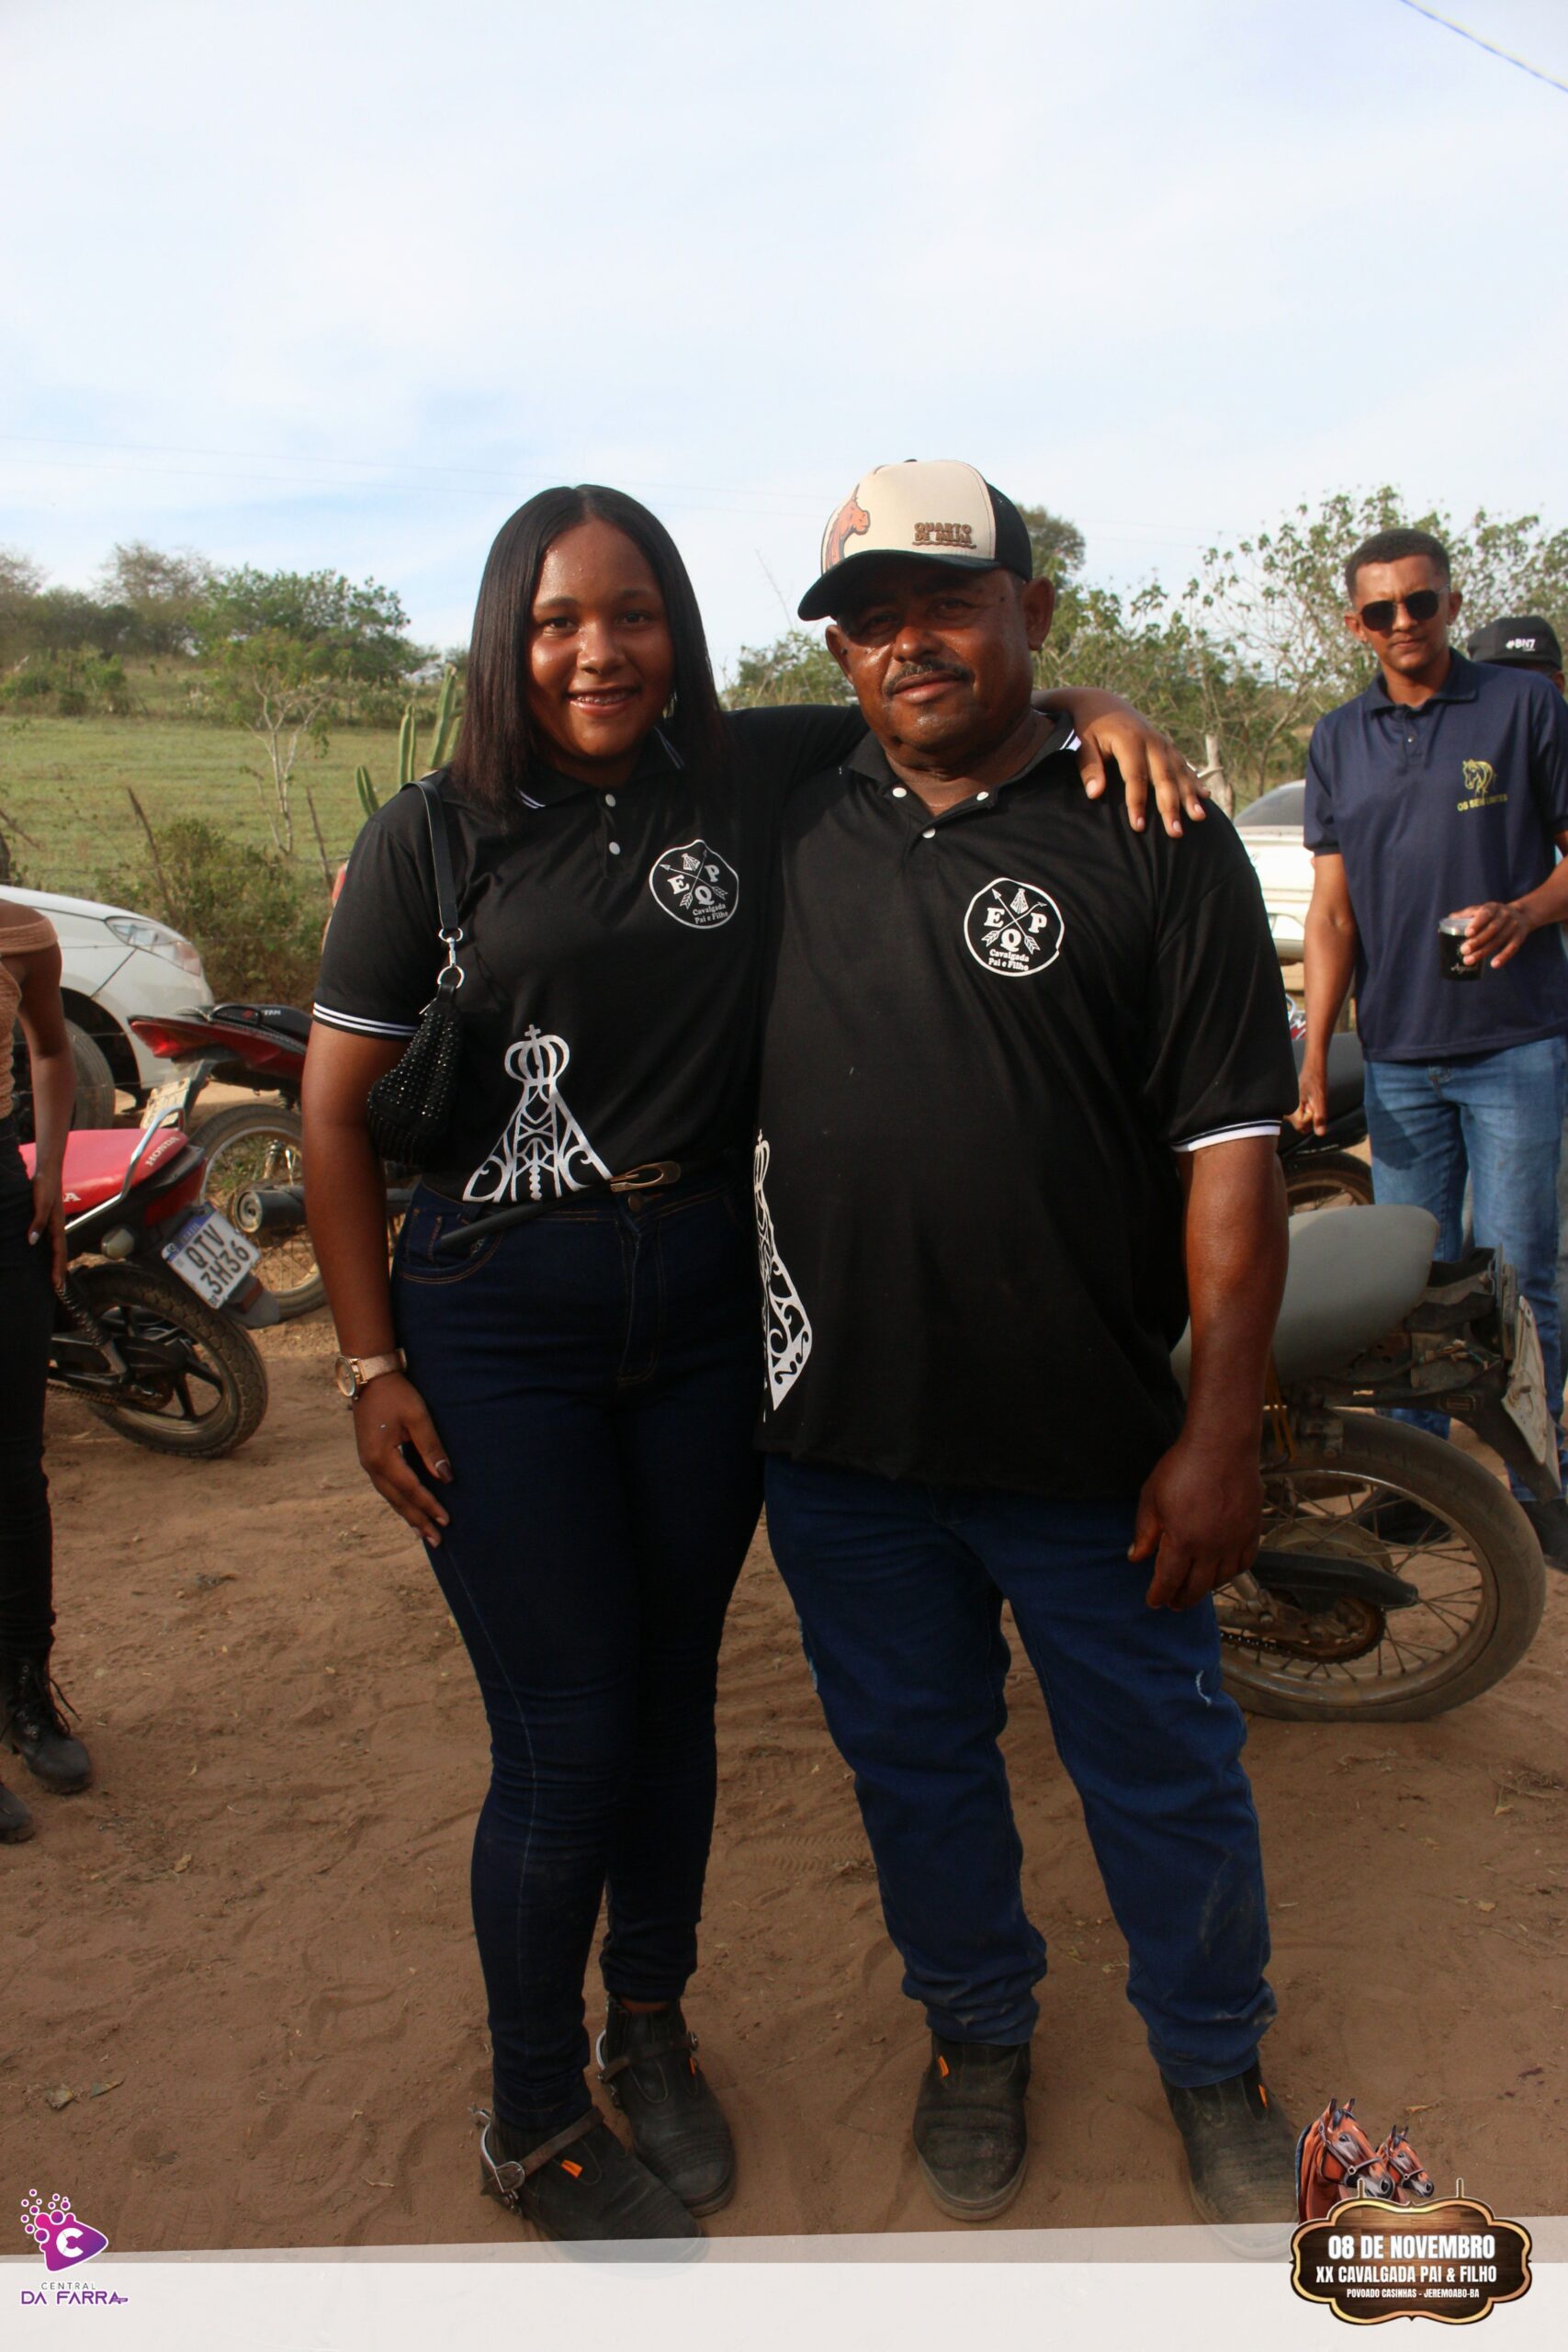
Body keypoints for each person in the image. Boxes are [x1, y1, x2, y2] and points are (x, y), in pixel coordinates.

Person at [301, 481, 1201, 2243]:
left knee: (671, 1696)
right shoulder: (432, 833)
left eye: (632, 613)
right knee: (567, 1729)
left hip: (713, 1307)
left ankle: (649, 2023)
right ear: (504, 637)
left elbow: (954, 703)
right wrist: (365, 1365)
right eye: (558, 620)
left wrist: (1103, 705)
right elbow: (337, 1117)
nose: (598, 651)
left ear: (681, 629)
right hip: (501, 1312)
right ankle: (530, 2108)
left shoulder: (748, 769)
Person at [753, 460, 1300, 2226]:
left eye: (946, 601)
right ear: (836, 654)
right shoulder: (786, 814)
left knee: (1161, 1768)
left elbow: (1231, 1157)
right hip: (839, 1449)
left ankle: (1212, 2056)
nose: (905, 642)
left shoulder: (1156, 831)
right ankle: (975, 2035)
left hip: (1089, 1445)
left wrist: (1217, 1433)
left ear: (1031, 612)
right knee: (915, 1768)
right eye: (867, 618)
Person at [1295, 537, 1568, 1564]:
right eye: (1381, 612)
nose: (1403, 623)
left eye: (1420, 602)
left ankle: (1539, 1484)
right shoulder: (1337, 738)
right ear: (1354, 626)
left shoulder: (1522, 706)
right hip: (1400, 1052)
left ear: (1450, 603)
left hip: (1516, 1042)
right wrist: (1317, 1052)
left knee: (1518, 1276)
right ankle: (1416, 1481)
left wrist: (1527, 912)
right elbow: (1331, 915)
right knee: (1405, 1278)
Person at [0, 896, 93, 1844]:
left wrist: (49, 1172)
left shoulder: (20, 933)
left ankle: (26, 1694)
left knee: (15, 1475)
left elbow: (54, 1052)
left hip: (0, 1204)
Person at [1464, 618, 1568, 1348]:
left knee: (1537, 1248)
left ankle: (1540, 1401)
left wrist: (1529, 912)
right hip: (1496, 1033)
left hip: (1538, 1032)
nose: (1525, 700)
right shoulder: (1476, 774)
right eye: (1503, 682)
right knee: (1494, 1237)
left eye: (1537, 685)